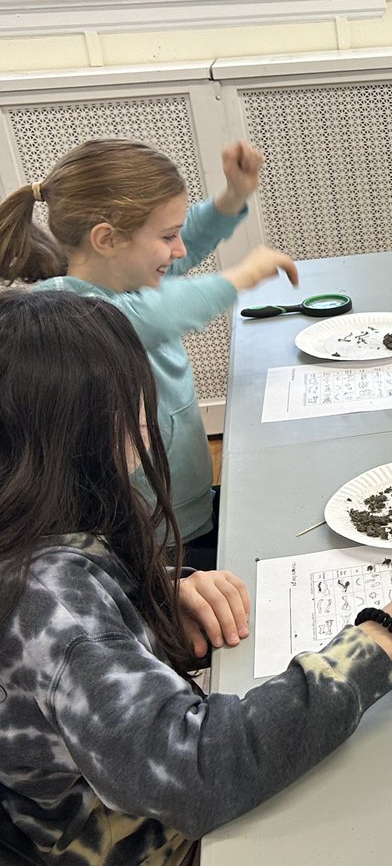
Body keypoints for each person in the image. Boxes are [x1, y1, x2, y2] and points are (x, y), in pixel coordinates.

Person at [0, 290, 392, 866]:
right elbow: (197, 772)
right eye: (133, 402)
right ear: (76, 436)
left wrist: (148, 603)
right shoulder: (53, 607)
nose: (151, 418)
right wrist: (383, 639)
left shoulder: (29, 540)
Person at [0, 138, 299, 568]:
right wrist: (243, 275)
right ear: (107, 239)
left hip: (185, 506)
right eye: (166, 236)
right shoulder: (74, 316)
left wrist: (232, 197)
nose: (179, 251)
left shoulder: (125, 273)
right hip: (149, 533)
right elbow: (162, 312)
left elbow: (190, 236)